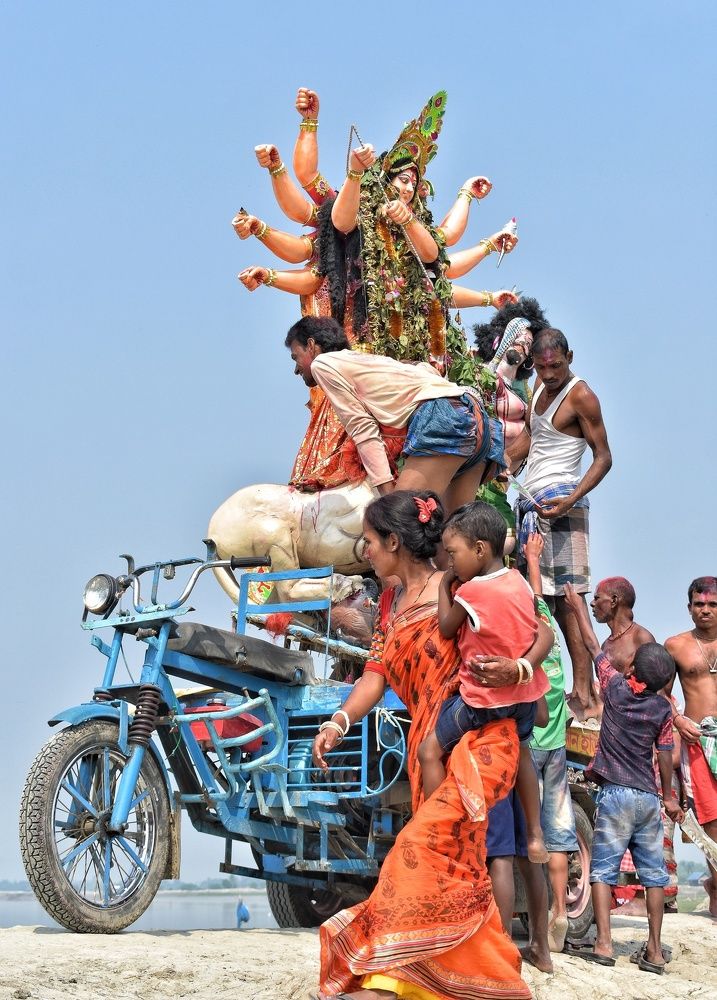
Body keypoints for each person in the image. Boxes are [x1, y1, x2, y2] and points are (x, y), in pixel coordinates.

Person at [311, 490, 554, 1000]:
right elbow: (375, 676)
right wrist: (337, 722)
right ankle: (453, 981)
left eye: (371, 542)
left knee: (418, 853)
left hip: (479, 742)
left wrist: (519, 669)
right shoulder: (389, 603)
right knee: (451, 871)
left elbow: (539, 628)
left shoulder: (465, 587)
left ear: (396, 542)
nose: (366, 552)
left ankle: (389, 983)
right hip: (431, 755)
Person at [417, 501, 550, 865]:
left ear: (480, 549)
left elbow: (446, 626)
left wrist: (446, 587)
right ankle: (536, 836)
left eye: (453, 554)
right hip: (523, 698)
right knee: (522, 752)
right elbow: (543, 631)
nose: (450, 562)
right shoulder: (519, 582)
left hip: (482, 702)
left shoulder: (471, 591)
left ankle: (434, 833)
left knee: (429, 751)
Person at [563, 583, 683, 973]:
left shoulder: (614, 690)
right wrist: (668, 796)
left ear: (631, 669)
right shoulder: (663, 711)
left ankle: (602, 943)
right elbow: (665, 754)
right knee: (652, 876)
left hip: (614, 796)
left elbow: (590, 643)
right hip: (649, 799)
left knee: (602, 870)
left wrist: (576, 606)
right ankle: (652, 950)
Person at [286, 317, 502, 511]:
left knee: (397, 523)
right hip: (479, 422)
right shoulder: (372, 362)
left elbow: (362, 429)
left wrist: (389, 496)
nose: (296, 369)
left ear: (312, 346)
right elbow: (429, 372)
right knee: (450, 537)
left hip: (446, 421)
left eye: (296, 357)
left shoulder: (323, 364)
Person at [507, 327, 612, 721]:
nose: (550, 374)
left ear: (571, 356)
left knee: (570, 600)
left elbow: (603, 457)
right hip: (533, 501)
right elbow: (533, 437)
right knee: (541, 598)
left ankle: (584, 695)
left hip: (564, 500)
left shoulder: (581, 395)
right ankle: (553, 689)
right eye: (543, 366)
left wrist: (570, 500)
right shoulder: (538, 386)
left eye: (557, 365)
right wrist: (504, 462)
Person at [523, 533, 579, 953]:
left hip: (530, 747)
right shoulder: (555, 657)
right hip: (557, 747)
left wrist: (529, 559)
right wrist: (533, 559)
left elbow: (531, 603)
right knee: (560, 834)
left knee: (532, 832)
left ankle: (539, 921)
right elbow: (539, 605)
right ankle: (561, 909)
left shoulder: (528, 655)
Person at [666, 576, 717, 918]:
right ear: (689, 608)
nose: (706, 610)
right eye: (699, 604)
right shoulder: (676, 645)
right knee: (712, 819)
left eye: (712, 604)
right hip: (698, 739)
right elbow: (659, 692)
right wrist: (677, 719)